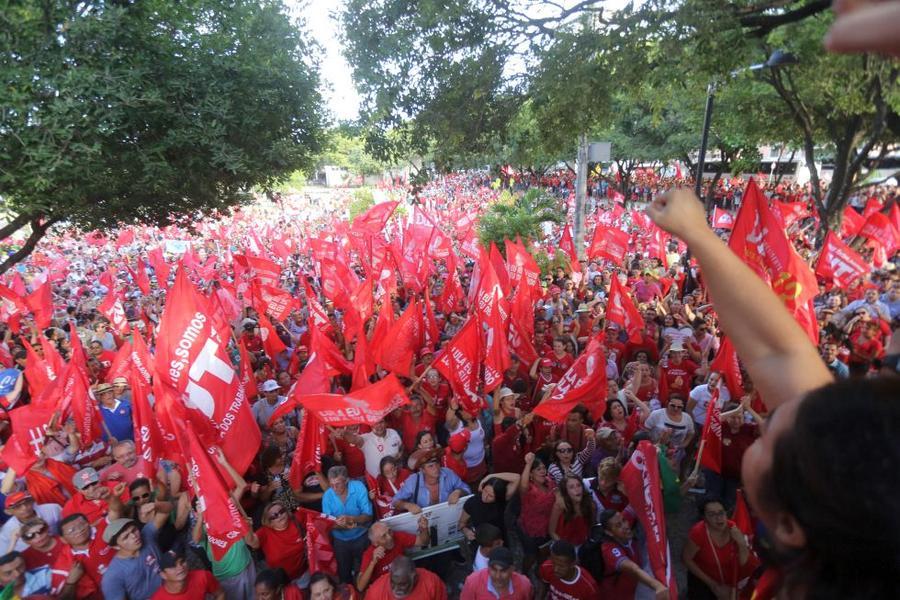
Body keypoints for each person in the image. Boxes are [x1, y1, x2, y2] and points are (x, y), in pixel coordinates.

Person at [648, 187, 900, 597]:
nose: (771, 412)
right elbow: (778, 353)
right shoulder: (830, 466)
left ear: (787, 524)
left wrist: (700, 236)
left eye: (769, 435)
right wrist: (699, 235)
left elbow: (779, 356)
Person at [683, 498, 757, 600]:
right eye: (712, 514)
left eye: (721, 512)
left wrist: (741, 543)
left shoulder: (735, 530)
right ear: (704, 518)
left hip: (731, 581)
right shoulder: (698, 533)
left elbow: (745, 564)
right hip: (705, 579)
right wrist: (714, 585)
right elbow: (686, 559)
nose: (719, 518)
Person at [597, 509, 669, 599]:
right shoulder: (609, 549)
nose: (626, 526)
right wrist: (657, 585)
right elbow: (632, 568)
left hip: (636, 586)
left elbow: (637, 502)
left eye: (624, 520)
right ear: (609, 533)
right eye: (618, 525)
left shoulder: (621, 522)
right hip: (620, 595)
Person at [320, 466, 372, 585]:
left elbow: (368, 515)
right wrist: (339, 524)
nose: (334, 488)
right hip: (340, 541)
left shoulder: (358, 487)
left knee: (364, 572)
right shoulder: (327, 496)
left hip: (361, 536)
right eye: (331, 484)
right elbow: (327, 524)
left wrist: (352, 519)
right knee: (344, 575)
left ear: (347, 480)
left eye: (338, 484)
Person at [101, 516, 167, 600]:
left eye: (134, 530)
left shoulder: (147, 535)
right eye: (126, 537)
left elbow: (164, 512)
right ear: (116, 546)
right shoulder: (112, 576)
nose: (134, 536)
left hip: (174, 589)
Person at [355, 518, 429, 592]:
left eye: (389, 531)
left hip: (403, 582)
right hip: (383, 589)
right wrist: (373, 562)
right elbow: (360, 587)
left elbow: (423, 542)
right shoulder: (369, 554)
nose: (390, 537)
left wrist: (424, 528)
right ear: (375, 543)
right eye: (384, 536)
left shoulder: (398, 536)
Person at [391, 449, 471, 514]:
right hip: (423, 521)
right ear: (422, 470)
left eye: (437, 464)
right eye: (430, 466)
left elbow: (467, 489)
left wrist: (458, 492)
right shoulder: (413, 481)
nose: (436, 468)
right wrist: (407, 505)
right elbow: (395, 501)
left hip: (447, 516)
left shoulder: (448, 473)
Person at [517, 453, 555, 574]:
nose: (543, 471)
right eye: (538, 469)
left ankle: (540, 572)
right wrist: (528, 464)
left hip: (548, 527)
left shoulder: (550, 482)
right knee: (531, 556)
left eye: (544, 468)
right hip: (531, 531)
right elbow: (522, 485)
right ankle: (524, 573)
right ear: (531, 474)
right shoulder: (528, 490)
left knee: (544, 554)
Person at [252, 502, 307, 584]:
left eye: (282, 511)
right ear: (269, 522)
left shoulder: (297, 519)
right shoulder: (264, 532)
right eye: (274, 516)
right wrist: (247, 528)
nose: (280, 516)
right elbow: (252, 543)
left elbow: (315, 519)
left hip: (304, 574)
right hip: (281, 581)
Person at [459, 547, 532, 600]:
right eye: (494, 570)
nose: (498, 576)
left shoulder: (524, 585)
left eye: (503, 571)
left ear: (512, 569)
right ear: (488, 567)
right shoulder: (472, 582)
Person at [151, 549, 224, 600]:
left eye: (182, 562)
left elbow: (220, 594)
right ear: (163, 575)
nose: (180, 567)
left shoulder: (203, 576)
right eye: (172, 566)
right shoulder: (158, 598)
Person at [364, 555, 446, 600]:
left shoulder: (431, 583)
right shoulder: (376, 592)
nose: (396, 589)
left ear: (414, 577)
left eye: (402, 585)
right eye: (392, 582)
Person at [548, 476, 594, 548]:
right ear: (566, 491)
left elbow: (590, 527)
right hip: (563, 545)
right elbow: (552, 532)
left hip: (584, 545)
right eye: (571, 487)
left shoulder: (590, 504)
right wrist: (566, 549)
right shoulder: (559, 506)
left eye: (578, 485)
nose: (577, 489)